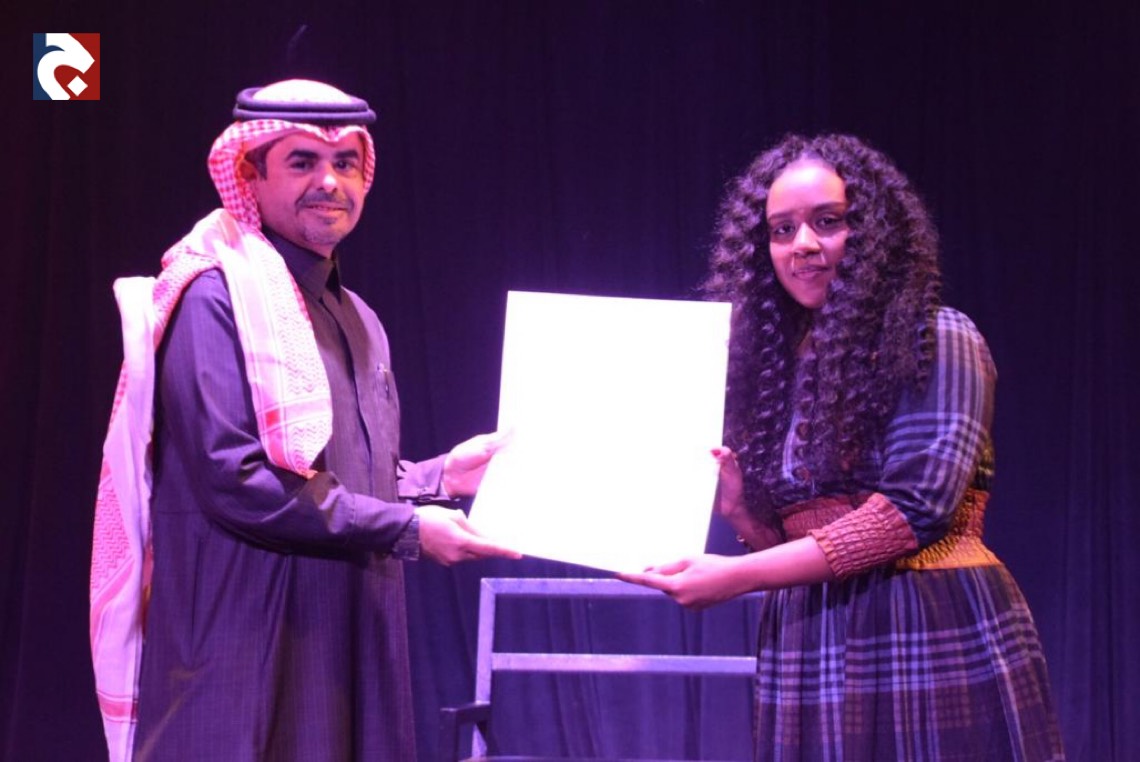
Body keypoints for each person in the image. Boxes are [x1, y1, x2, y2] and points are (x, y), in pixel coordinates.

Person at [89, 79, 520, 762]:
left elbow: (339, 473)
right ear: (248, 172)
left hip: (349, 647)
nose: (329, 181)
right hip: (243, 651)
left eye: (345, 162)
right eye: (303, 162)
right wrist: (409, 530)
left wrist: (440, 478)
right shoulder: (213, 297)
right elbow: (238, 480)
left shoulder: (360, 318)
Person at [622, 134, 1065, 760]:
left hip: (923, 624)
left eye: (828, 222)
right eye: (781, 230)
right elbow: (801, 542)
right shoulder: (776, 371)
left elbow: (911, 513)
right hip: (810, 637)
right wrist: (742, 514)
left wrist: (737, 577)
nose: (802, 244)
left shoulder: (937, 337)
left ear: (875, 234)